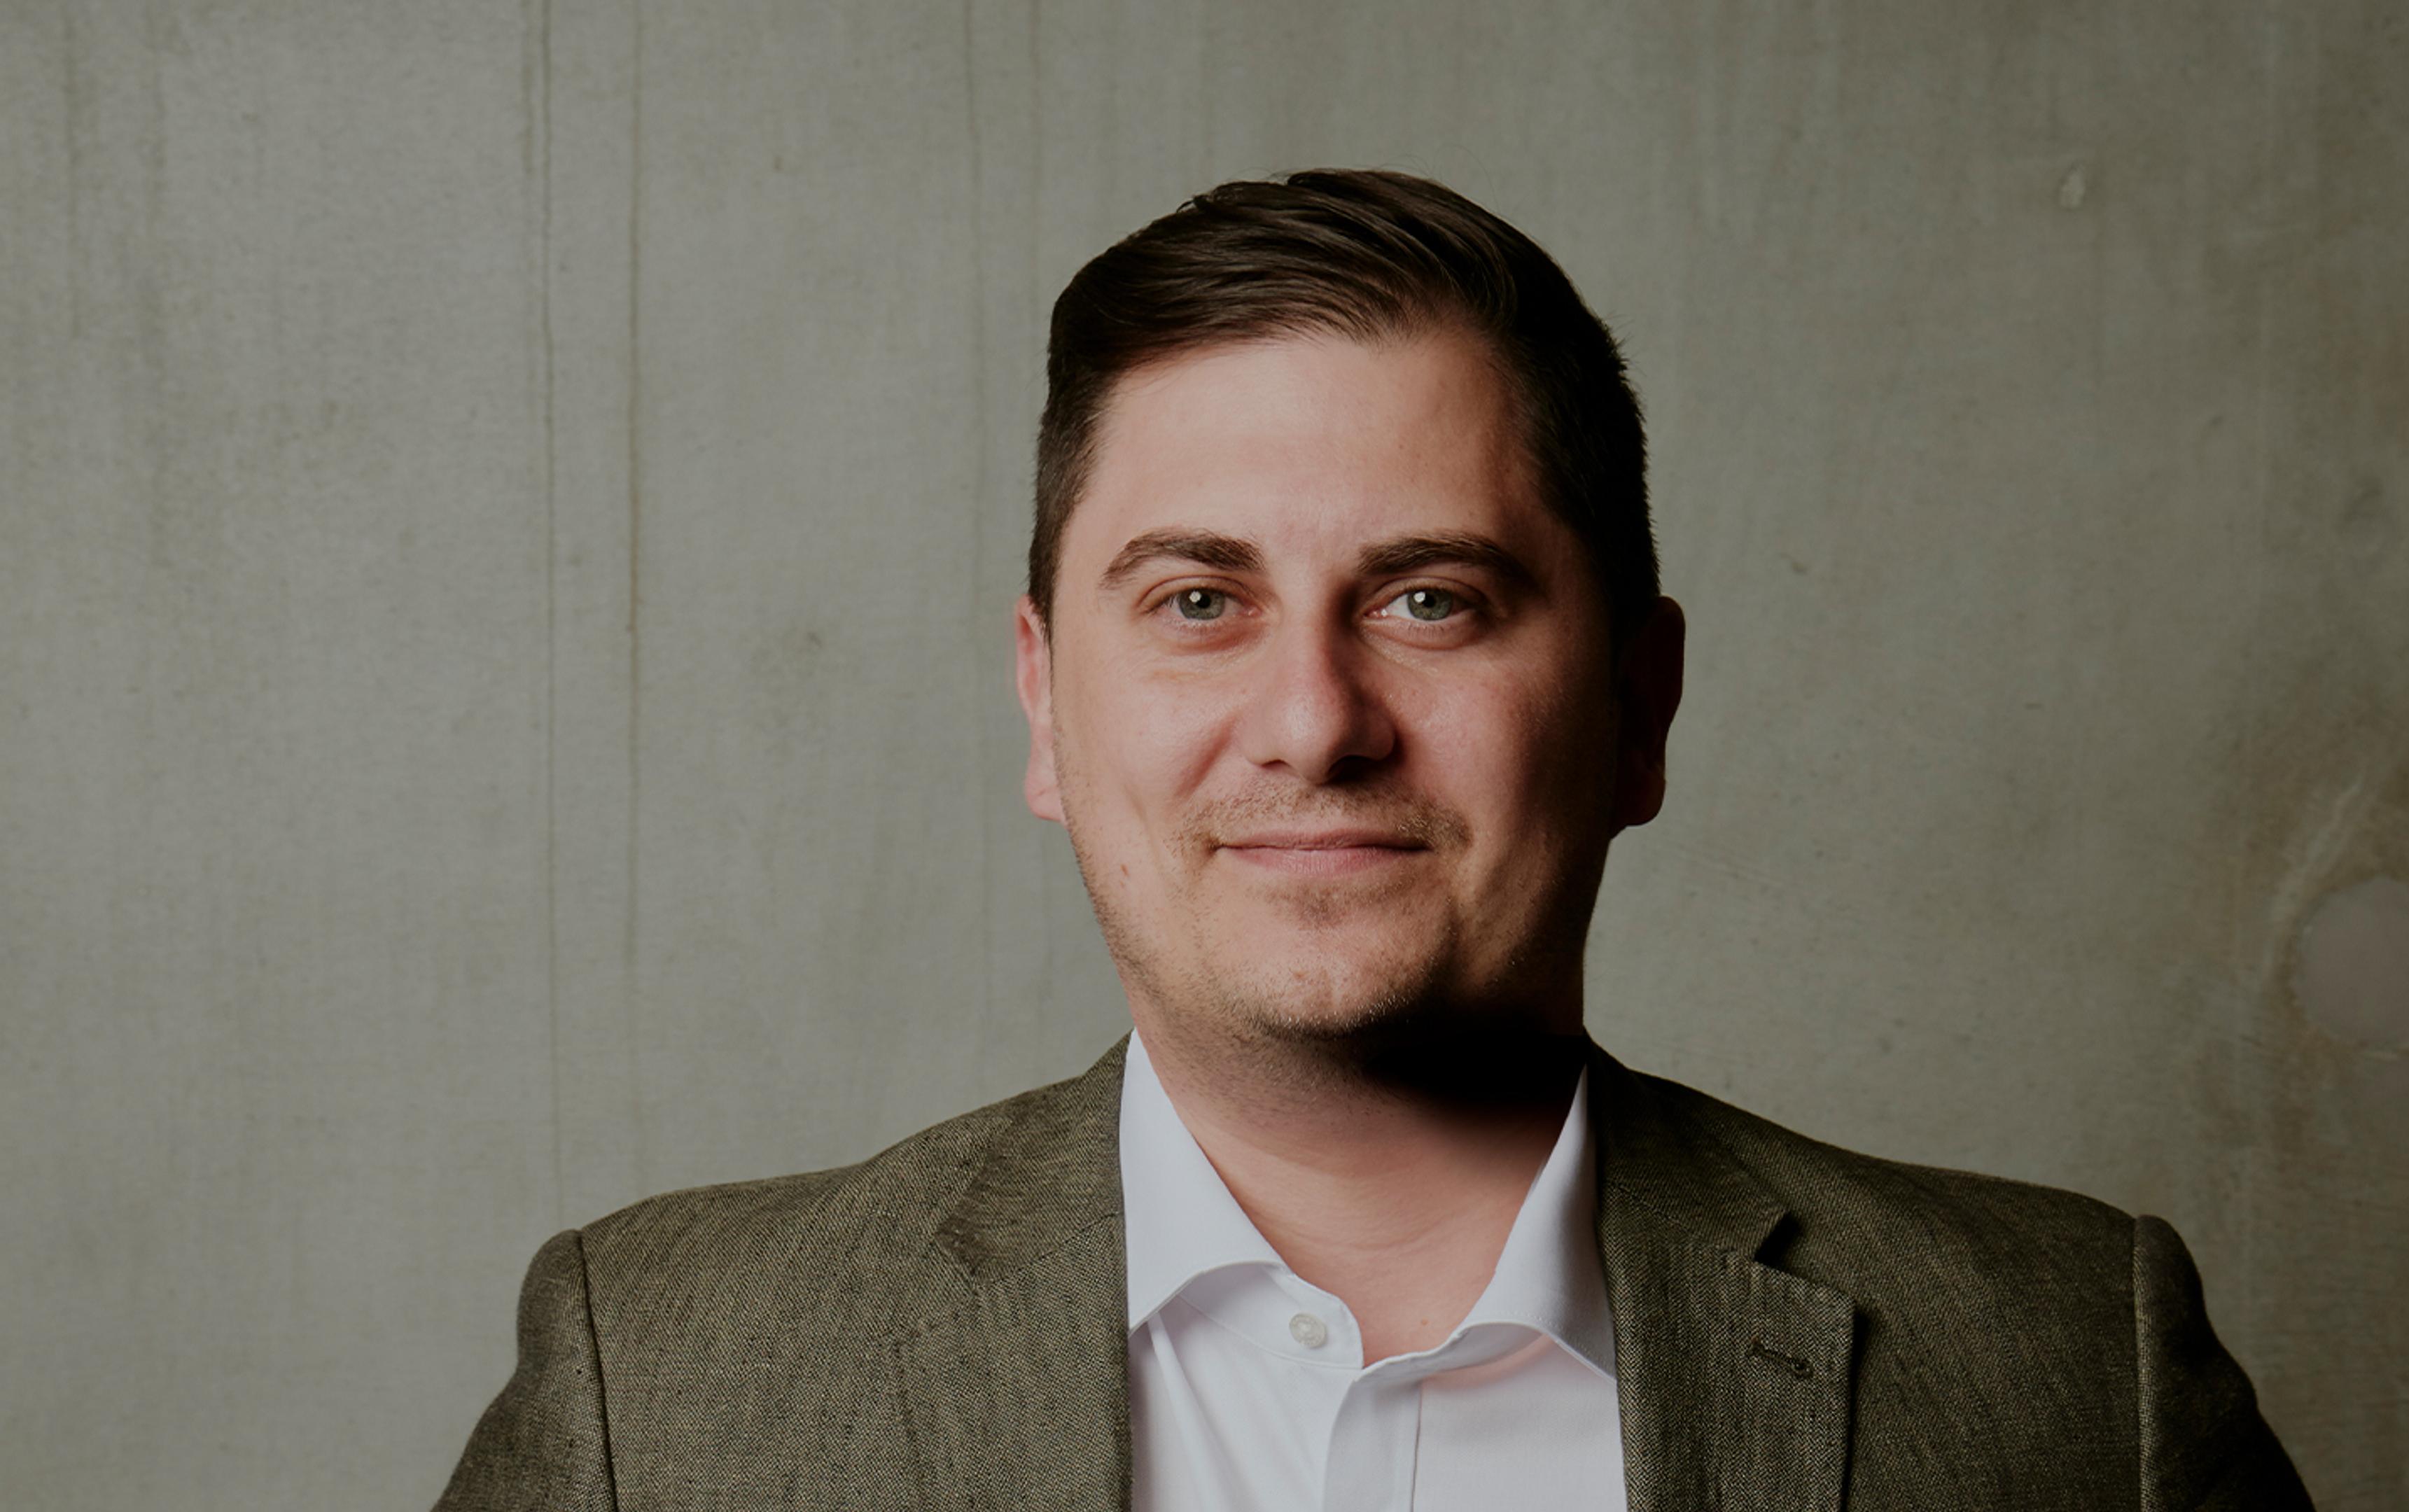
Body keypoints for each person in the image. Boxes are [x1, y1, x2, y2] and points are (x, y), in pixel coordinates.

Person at [437, 169, 2311, 1511]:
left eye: (1432, 600)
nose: (1317, 720)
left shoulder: (2079, 1381)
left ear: (1640, 706)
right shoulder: (655, 1397)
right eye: (1197, 602)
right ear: (1045, 704)